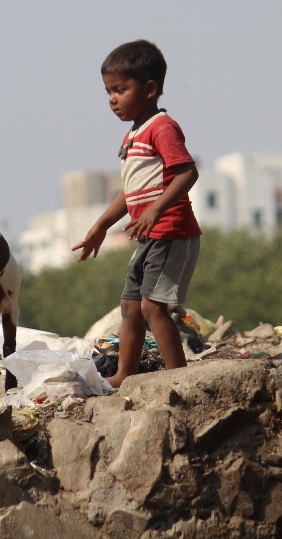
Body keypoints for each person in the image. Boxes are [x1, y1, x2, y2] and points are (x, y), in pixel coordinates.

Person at [72, 40, 201, 388]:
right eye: (108, 91)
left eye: (120, 89)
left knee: (152, 308)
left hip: (172, 232)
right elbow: (130, 191)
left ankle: (179, 379)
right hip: (150, 235)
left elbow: (188, 172)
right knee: (129, 307)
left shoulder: (162, 127)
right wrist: (101, 225)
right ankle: (124, 373)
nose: (112, 99)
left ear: (149, 89)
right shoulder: (134, 134)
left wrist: (157, 208)